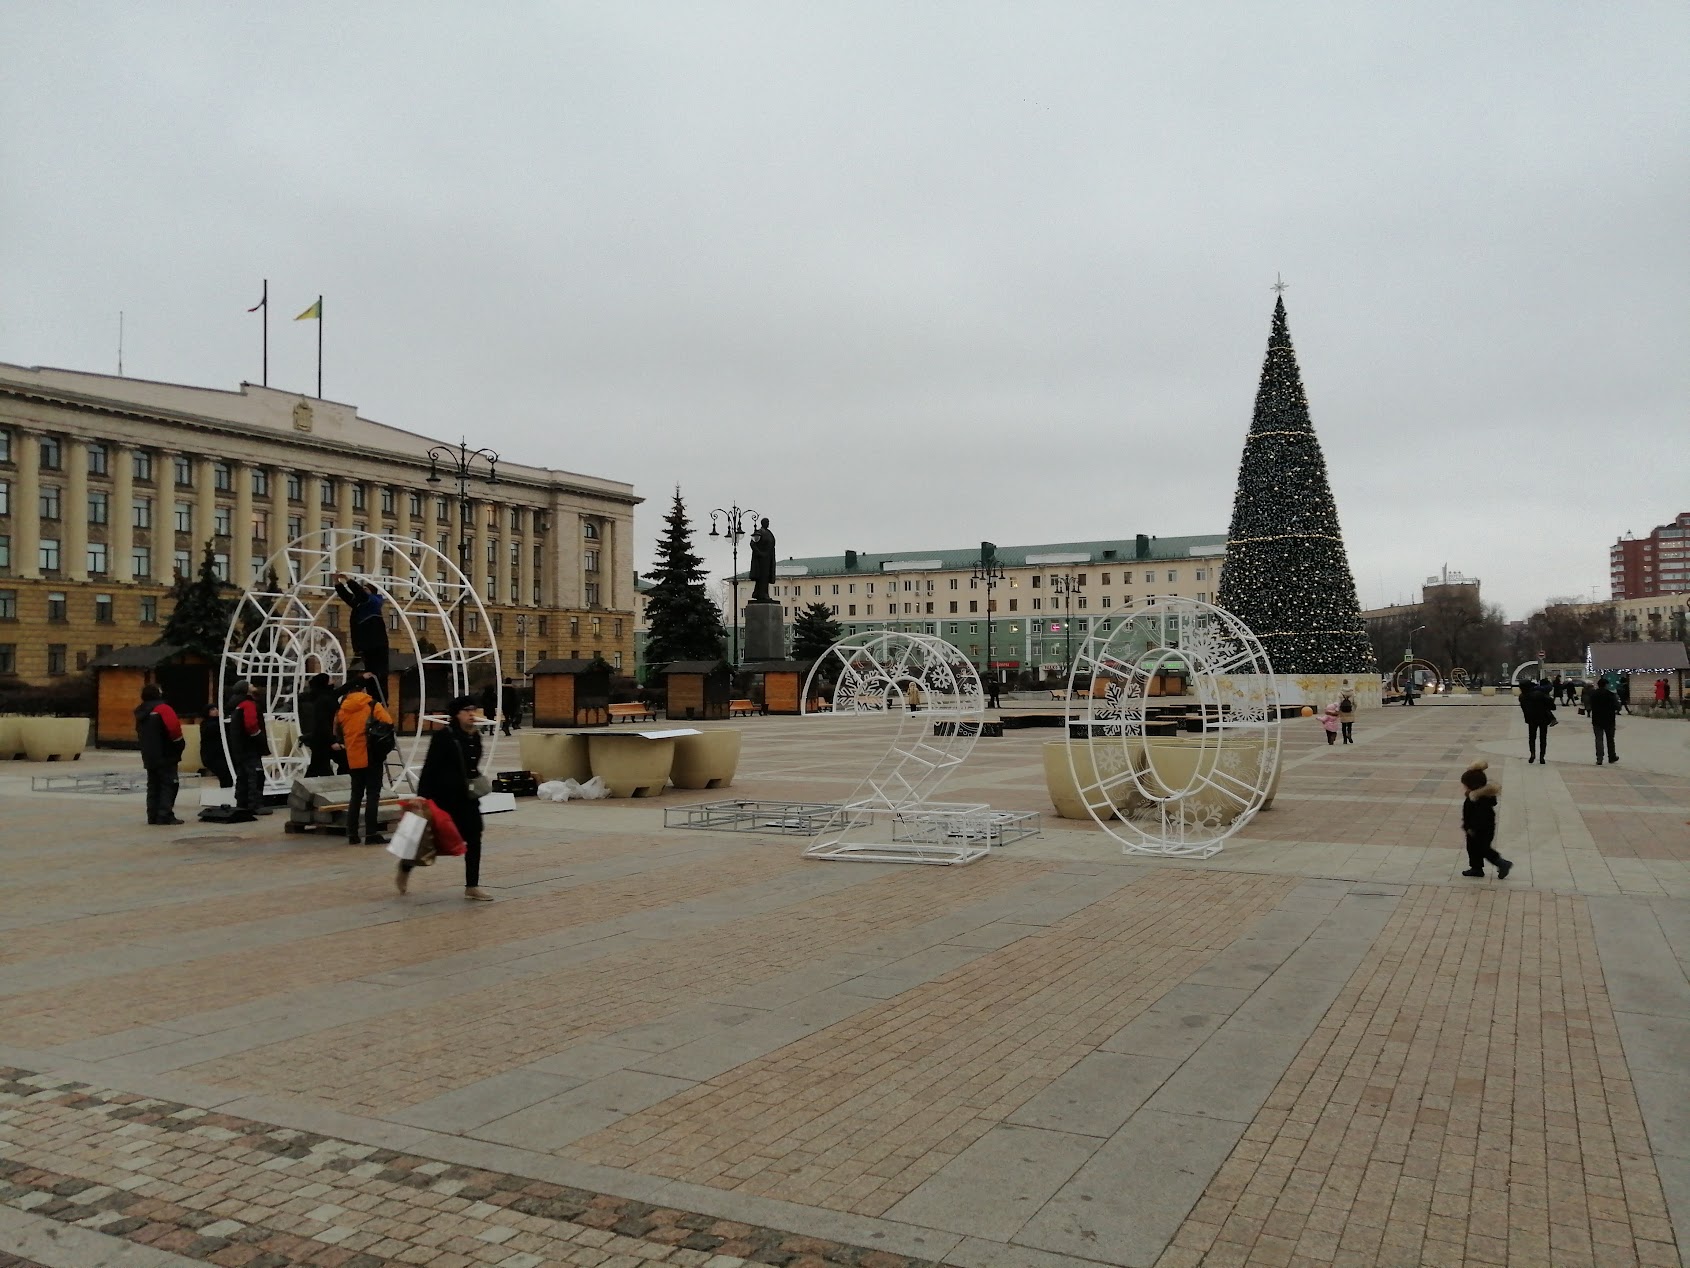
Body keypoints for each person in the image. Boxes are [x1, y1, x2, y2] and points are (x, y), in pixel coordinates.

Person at [400, 694, 491, 900]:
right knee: (423, 840)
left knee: (474, 837)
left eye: (473, 710)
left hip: (466, 798)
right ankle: (405, 868)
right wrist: (422, 796)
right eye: (466, 710)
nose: (471, 714)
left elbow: (472, 767)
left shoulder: (475, 737)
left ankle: (472, 885)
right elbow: (430, 767)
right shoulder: (443, 737)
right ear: (456, 714)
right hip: (442, 798)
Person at [334, 673, 394, 844]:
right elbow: (388, 722)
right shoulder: (372, 705)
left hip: (353, 757)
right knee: (373, 795)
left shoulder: (342, 709)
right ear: (363, 689)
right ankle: (370, 833)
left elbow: (337, 732)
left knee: (356, 795)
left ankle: (352, 833)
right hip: (372, 756)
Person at [135, 683, 186, 825]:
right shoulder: (163, 709)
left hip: (149, 754)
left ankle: (152, 815)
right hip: (166, 753)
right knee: (169, 784)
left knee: (153, 785)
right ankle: (165, 814)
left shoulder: (140, 712)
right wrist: (180, 745)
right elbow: (174, 729)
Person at [333, 574, 390, 699]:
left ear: (371, 592)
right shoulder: (360, 604)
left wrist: (348, 580)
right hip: (366, 644)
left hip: (377, 644)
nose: (363, 591)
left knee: (379, 673)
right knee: (369, 673)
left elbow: (361, 594)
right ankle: (373, 699)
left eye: (366, 589)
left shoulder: (374, 601)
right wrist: (337, 583)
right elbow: (347, 597)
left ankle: (381, 700)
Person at [1459, 760, 1512, 879]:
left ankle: (1502, 863)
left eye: (1465, 784)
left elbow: (1481, 816)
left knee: (1484, 849)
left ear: (1473, 785)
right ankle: (1476, 868)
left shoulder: (1479, 799)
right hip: (1474, 829)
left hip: (1481, 829)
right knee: (1472, 848)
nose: (1464, 787)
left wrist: (1473, 828)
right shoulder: (1474, 796)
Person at [225, 680, 272, 814]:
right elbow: (251, 725)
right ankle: (255, 804)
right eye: (250, 685)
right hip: (250, 747)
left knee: (243, 776)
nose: (253, 686)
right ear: (246, 690)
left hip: (239, 747)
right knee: (256, 775)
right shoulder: (249, 704)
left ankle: (242, 803)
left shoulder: (236, 705)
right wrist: (259, 737)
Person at [296, 672, 339, 778]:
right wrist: (332, 740)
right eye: (330, 680)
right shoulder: (324, 699)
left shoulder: (319, 696)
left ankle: (307, 788)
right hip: (322, 738)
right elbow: (323, 722)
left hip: (317, 737)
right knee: (321, 767)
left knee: (317, 766)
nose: (333, 681)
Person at [1521, 680, 1556, 764]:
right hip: (1543, 718)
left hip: (1531, 719)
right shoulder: (1542, 695)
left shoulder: (1525, 696)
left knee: (1532, 737)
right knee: (1543, 738)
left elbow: (1524, 707)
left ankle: (1532, 754)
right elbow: (1552, 706)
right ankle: (1542, 757)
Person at [200, 702, 234, 789]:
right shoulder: (206, 724)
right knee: (225, 776)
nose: (216, 711)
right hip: (213, 757)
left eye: (216, 708)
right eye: (212, 709)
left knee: (228, 777)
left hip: (224, 756)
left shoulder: (222, 722)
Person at [1588, 678, 1620, 765]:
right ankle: (1611, 757)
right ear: (1606, 685)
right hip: (1609, 720)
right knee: (1610, 739)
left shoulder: (1593, 694)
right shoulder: (1611, 695)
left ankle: (1599, 758)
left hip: (1597, 719)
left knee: (1598, 739)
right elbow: (1617, 706)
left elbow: (1589, 704)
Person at [748, 517, 776, 604]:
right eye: (766, 522)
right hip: (761, 560)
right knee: (762, 576)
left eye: (768, 522)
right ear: (763, 523)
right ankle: (762, 594)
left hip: (768, 558)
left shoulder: (769, 533)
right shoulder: (759, 532)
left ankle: (761, 593)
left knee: (766, 576)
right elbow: (752, 543)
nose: (768, 524)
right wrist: (760, 553)